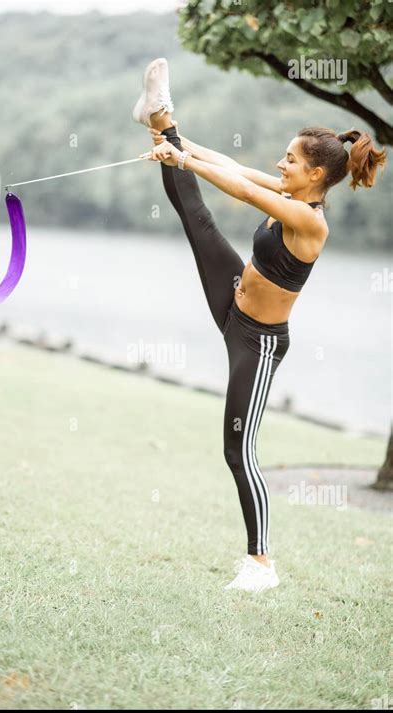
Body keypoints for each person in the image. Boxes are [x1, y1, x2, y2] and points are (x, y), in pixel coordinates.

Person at [132, 57, 387, 592]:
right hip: (233, 301)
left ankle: (261, 564)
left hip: (259, 342)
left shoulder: (308, 220)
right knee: (195, 218)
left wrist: (184, 163)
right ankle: (160, 116)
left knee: (237, 450)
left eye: (290, 159)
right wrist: (183, 148)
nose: (281, 163)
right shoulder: (290, 193)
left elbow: (245, 193)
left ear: (316, 174)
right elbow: (236, 168)